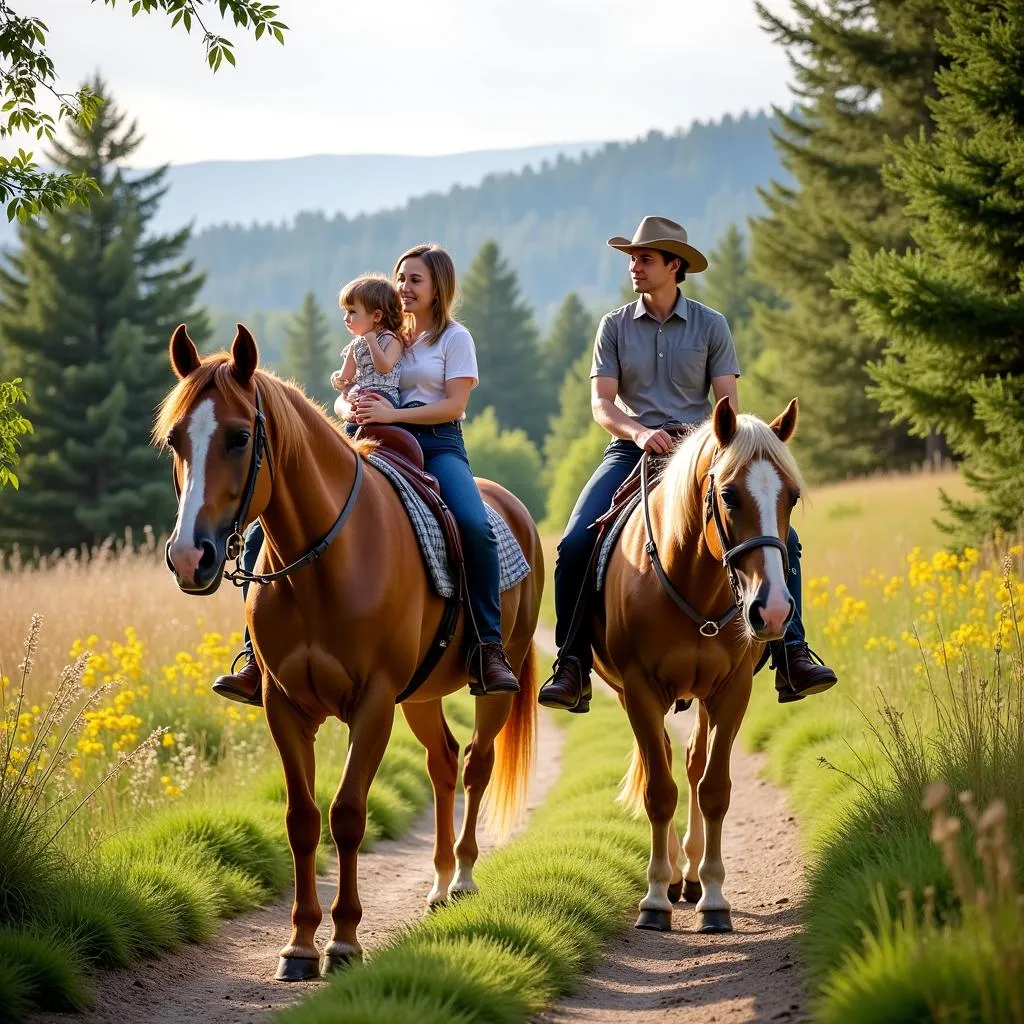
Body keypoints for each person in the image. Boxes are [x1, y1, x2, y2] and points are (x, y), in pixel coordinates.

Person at [537, 215, 838, 714]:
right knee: (574, 543)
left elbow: (728, 405)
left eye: (645, 259)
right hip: (633, 449)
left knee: (785, 540)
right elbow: (602, 405)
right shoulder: (612, 326)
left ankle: (793, 652)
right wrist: (638, 432)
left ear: (674, 266)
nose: (635, 266)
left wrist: (711, 442)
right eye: (632, 258)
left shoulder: (711, 325)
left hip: (704, 453)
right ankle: (572, 664)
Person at [212, 244, 520, 705]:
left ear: (439, 288)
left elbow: (455, 405)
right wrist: (347, 405)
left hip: (435, 445)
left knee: (475, 526)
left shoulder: (454, 339)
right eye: (400, 278)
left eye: (416, 279)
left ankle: (487, 647)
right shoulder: (377, 331)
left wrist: (394, 415)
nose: (405, 287)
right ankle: (255, 657)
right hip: (362, 441)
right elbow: (348, 393)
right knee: (266, 530)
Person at [330, 274, 404, 436]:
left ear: (377, 316)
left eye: (352, 312)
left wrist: (372, 342)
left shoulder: (392, 340)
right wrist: (339, 379)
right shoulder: (356, 344)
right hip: (361, 395)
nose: (346, 318)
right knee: (350, 425)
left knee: (367, 410)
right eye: (345, 312)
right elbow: (347, 375)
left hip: (384, 397)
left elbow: (384, 367)